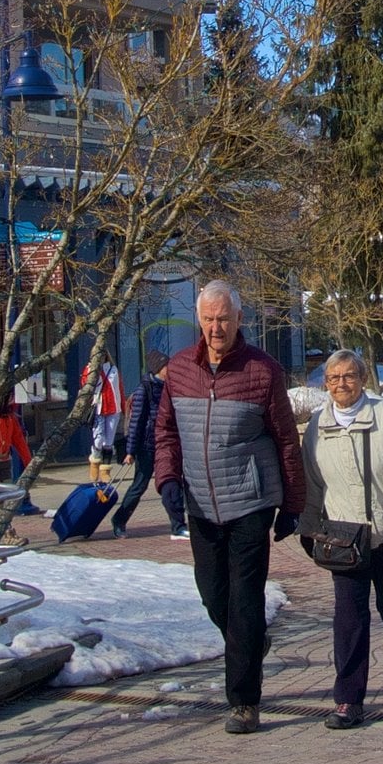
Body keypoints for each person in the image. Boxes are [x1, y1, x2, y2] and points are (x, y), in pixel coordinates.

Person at [154, 281, 306, 735]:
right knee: (212, 593)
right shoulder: (180, 370)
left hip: (250, 502)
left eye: (223, 319)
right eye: (208, 319)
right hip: (201, 503)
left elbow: (285, 439)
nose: (216, 328)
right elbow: (166, 432)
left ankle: (243, 703)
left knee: (244, 600)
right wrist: (167, 479)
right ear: (198, 320)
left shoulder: (263, 370)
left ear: (239, 319)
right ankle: (250, 641)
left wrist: (292, 503)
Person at [301, 349, 383, 729]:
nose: (342, 384)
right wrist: (308, 526)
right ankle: (348, 699)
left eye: (349, 376)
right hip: (344, 540)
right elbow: (312, 483)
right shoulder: (318, 426)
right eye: (334, 377)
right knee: (349, 618)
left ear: (363, 379)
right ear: (326, 384)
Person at [109, 354, 182, 539]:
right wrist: (130, 451)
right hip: (147, 446)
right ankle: (119, 520)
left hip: (166, 444)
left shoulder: (171, 387)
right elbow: (136, 423)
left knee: (170, 483)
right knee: (139, 486)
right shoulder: (144, 389)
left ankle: (178, 525)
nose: (171, 370)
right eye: (167, 366)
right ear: (158, 369)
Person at [84, 355, 125, 487]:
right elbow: (85, 385)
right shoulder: (90, 369)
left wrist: (124, 408)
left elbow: (120, 388)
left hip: (114, 408)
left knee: (108, 442)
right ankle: (94, 464)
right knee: (98, 439)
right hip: (99, 408)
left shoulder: (113, 369)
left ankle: (105, 471)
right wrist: (92, 370)